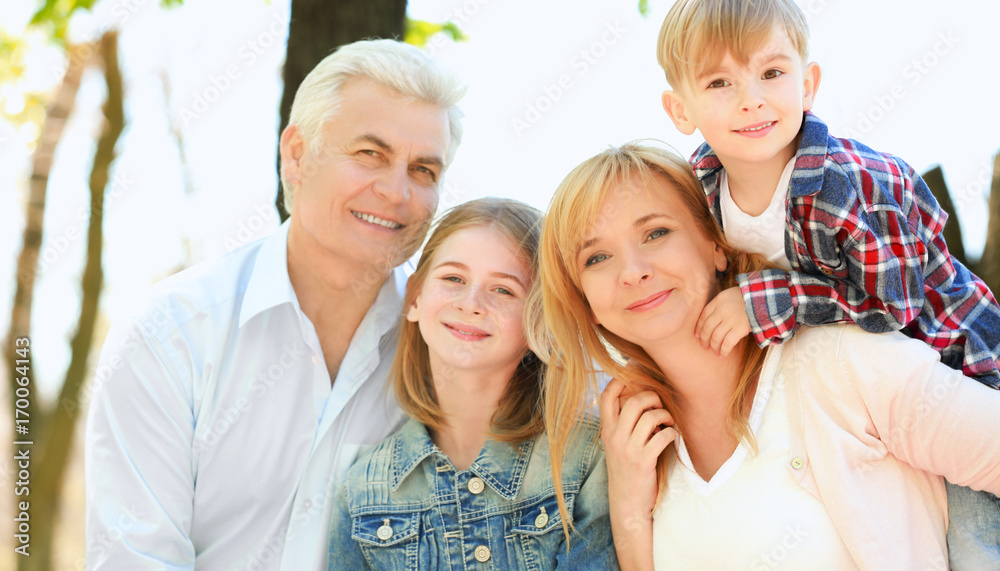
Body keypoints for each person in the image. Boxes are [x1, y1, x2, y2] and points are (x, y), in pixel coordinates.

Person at [655, 0, 1000, 563]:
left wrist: (768, 301)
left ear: (807, 83)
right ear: (680, 108)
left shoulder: (844, 185)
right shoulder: (703, 187)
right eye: (720, 82)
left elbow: (894, 307)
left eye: (771, 73)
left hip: (959, 367)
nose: (751, 98)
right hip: (863, 402)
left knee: (974, 545)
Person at [85, 39, 465, 570]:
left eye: (424, 169)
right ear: (296, 154)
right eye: (369, 154)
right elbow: (137, 559)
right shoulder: (171, 334)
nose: (397, 191)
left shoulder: (456, 347)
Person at [536, 142, 1000, 569]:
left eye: (656, 233)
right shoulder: (630, 446)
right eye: (596, 258)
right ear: (583, 298)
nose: (633, 272)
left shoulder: (841, 362)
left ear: (715, 244)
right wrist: (630, 512)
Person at [327, 198, 616, 570]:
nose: (471, 303)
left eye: (503, 290)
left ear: (540, 322)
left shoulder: (585, 458)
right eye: (453, 279)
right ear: (414, 296)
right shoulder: (364, 489)